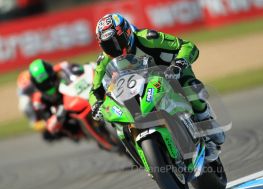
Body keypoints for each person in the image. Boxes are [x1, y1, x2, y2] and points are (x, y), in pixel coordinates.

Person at [89, 13, 225, 162]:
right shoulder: (103, 61)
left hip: (169, 73)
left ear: (128, 33)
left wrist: (178, 63)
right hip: (136, 87)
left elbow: (187, 46)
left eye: (118, 41)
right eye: (108, 45)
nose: (115, 48)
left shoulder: (148, 38)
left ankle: (204, 120)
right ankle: (141, 152)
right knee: (115, 116)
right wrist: (95, 104)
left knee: (192, 87)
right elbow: (95, 90)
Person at [28, 59, 85, 140]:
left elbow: (78, 68)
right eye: (43, 84)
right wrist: (52, 119)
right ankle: (77, 133)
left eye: (50, 79)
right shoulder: (37, 99)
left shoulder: (61, 67)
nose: (49, 84)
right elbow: (44, 118)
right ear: (36, 84)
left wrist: (78, 72)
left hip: (72, 96)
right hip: (59, 111)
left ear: (51, 71)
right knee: (50, 133)